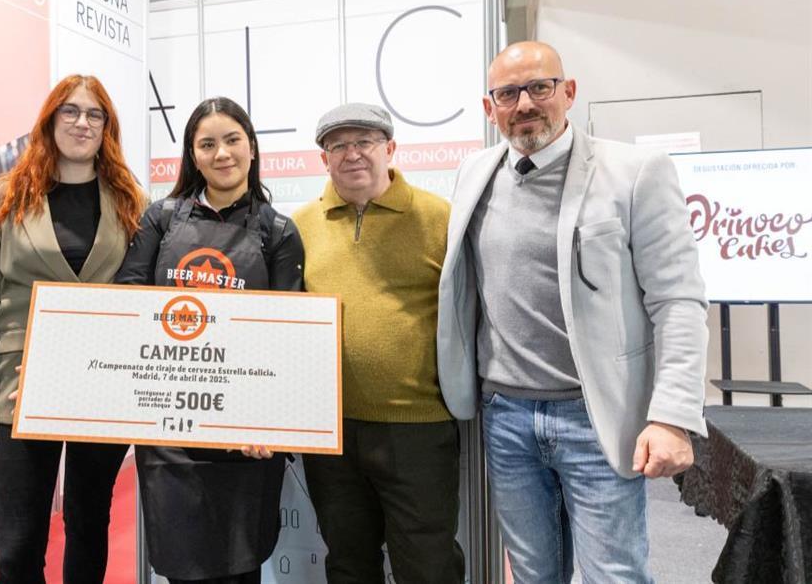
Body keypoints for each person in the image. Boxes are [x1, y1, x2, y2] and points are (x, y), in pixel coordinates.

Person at [437, 41, 708, 582]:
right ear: (490, 108)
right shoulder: (475, 173)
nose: (525, 104)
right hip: (505, 417)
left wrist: (672, 416)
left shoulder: (634, 173)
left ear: (569, 92)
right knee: (534, 575)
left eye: (540, 87)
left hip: (595, 414)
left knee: (614, 574)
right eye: (508, 93)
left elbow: (678, 300)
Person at [0, 75, 146, 584]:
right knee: (17, 549)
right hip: (20, 388)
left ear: (107, 126)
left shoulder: (132, 202)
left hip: (101, 386)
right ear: (49, 120)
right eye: (70, 112)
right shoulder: (0, 198)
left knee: (89, 527)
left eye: (94, 114)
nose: (82, 123)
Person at [115, 96, 304, 584]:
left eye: (232, 140)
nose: (222, 153)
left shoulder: (278, 231)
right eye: (208, 144)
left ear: (252, 147)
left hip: (245, 439)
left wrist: (269, 422)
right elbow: (128, 305)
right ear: (192, 155)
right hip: (170, 429)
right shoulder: (160, 219)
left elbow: (287, 335)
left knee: (240, 566)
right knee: (182, 566)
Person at [291, 104, 464, 584]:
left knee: (428, 565)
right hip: (333, 433)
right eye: (338, 145)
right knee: (348, 563)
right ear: (323, 159)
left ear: (389, 149)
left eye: (364, 141)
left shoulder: (438, 217)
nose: (352, 154)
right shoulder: (301, 226)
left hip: (418, 428)